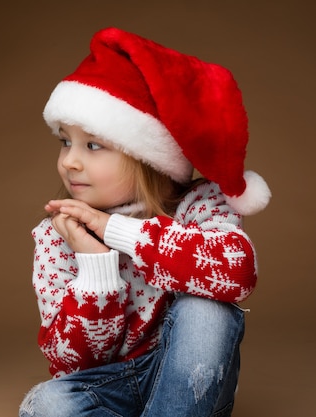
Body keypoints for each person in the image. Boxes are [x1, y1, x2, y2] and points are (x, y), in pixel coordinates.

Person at [19, 27, 271, 417]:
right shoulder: (58, 236)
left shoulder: (197, 206)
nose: (69, 160)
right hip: (112, 384)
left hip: (187, 381)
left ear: (147, 157)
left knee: (208, 309)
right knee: (46, 404)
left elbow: (238, 272)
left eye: (94, 145)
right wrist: (96, 264)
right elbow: (71, 365)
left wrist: (116, 232)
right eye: (65, 141)